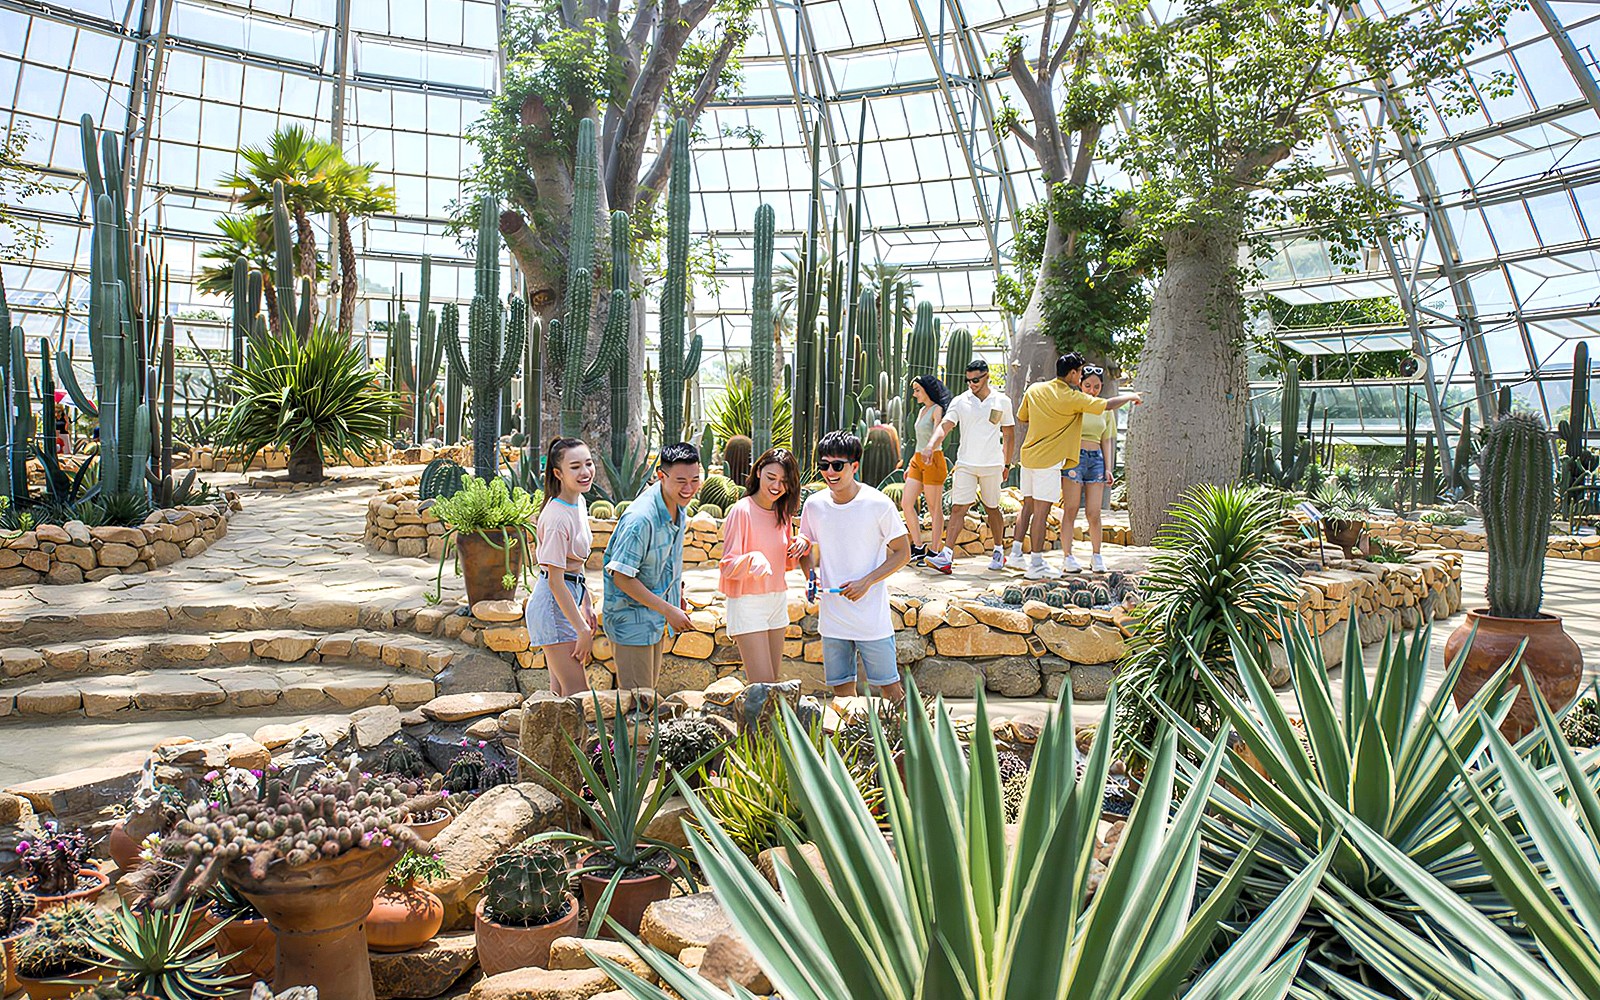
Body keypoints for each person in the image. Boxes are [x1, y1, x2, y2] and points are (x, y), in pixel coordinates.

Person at [799, 430, 911, 701]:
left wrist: (867, 581)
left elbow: (903, 552)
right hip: (833, 617)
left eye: (838, 465)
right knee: (841, 695)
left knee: (891, 690)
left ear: (855, 467)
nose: (830, 472)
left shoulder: (878, 504)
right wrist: (809, 576)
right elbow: (806, 547)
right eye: (824, 465)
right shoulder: (814, 505)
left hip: (871, 617)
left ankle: (907, 742)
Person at [1014, 352, 1141, 579]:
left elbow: (1022, 416)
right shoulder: (1072, 398)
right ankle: (1036, 563)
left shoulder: (1034, 389)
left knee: (1030, 507)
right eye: (1081, 373)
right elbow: (1108, 404)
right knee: (1042, 513)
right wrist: (1131, 396)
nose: (1082, 376)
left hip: (1029, 457)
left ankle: (1019, 554)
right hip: (1049, 461)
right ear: (1073, 374)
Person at [603, 442, 702, 690]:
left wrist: (674, 598)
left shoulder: (679, 508)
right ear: (661, 476)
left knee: (646, 702)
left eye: (695, 480)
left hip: (654, 620)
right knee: (638, 708)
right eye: (681, 481)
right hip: (631, 624)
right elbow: (622, 577)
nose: (689, 488)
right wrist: (669, 610)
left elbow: (665, 562)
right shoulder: (640, 518)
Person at [719, 448, 810, 683]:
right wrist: (752, 558)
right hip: (748, 604)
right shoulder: (741, 511)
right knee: (763, 685)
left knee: (773, 685)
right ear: (758, 471)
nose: (777, 486)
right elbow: (727, 565)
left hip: (777, 601)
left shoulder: (783, 514)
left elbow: (785, 562)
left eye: (784, 481)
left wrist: (801, 543)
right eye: (771, 477)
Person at [525, 437, 598, 696]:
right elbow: (555, 581)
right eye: (575, 466)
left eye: (588, 464)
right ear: (558, 473)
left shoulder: (578, 502)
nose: (585, 472)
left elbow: (575, 566)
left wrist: (586, 603)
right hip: (554, 610)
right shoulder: (557, 518)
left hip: (567, 600)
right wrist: (581, 628)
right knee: (578, 694)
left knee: (560, 700)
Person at [928, 360, 1014, 574]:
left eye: (976, 380)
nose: (972, 384)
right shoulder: (960, 401)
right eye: (968, 380)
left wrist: (1007, 464)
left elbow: (1010, 434)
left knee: (992, 508)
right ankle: (946, 556)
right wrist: (931, 444)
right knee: (958, 508)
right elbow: (945, 426)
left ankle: (998, 550)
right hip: (966, 463)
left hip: (992, 465)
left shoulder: (1002, 401)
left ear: (987, 377)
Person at [1060, 365, 1117, 573]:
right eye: (1088, 385)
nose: (1092, 390)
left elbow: (1107, 439)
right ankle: (1067, 556)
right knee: (1071, 508)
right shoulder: (1075, 404)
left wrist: (1109, 468)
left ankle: (1097, 555)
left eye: (1096, 386)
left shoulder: (1105, 408)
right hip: (1075, 459)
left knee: (1094, 512)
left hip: (1096, 461)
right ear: (1081, 385)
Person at [902, 374, 952, 566]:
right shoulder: (922, 411)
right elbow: (919, 441)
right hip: (917, 459)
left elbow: (939, 430)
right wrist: (910, 464)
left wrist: (930, 448)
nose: (914, 394)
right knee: (907, 503)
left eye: (917, 390)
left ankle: (934, 551)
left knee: (934, 508)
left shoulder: (936, 409)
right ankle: (918, 547)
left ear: (927, 391)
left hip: (934, 459)